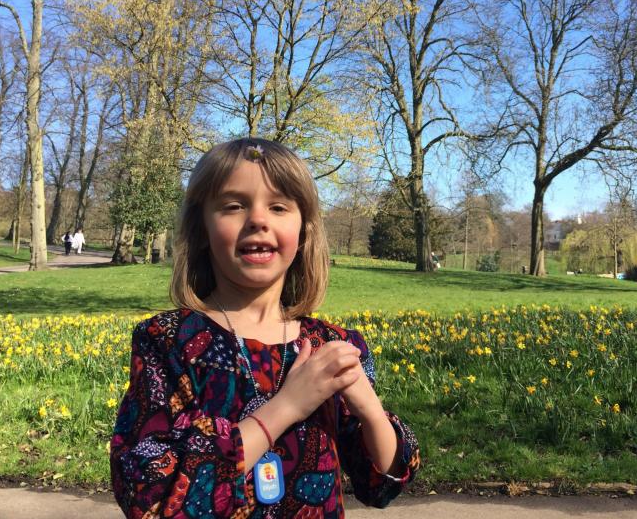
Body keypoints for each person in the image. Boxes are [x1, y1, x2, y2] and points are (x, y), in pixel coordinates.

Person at [110, 138, 420, 518]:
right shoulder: (169, 342)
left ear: (304, 233)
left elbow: (382, 483)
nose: (258, 219)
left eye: (278, 207)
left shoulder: (332, 345)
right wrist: (287, 406)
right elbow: (151, 495)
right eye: (234, 205)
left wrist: (370, 409)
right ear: (201, 229)